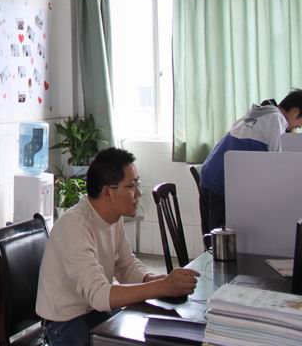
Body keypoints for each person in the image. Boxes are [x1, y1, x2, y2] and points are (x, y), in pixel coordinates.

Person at [36, 148, 199, 346]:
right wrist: (161, 287)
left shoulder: (113, 218)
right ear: (107, 192)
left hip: (95, 311)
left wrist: (155, 280)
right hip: (66, 323)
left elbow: (126, 265)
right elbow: (99, 295)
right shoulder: (75, 226)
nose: (138, 193)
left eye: (137, 184)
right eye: (131, 186)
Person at [200, 89, 302, 229]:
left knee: (211, 236)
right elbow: (276, 161)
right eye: (299, 123)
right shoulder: (276, 118)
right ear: (295, 111)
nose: (298, 127)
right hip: (223, 181)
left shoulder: (258, 114)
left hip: (210, 174)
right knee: (223, 237)